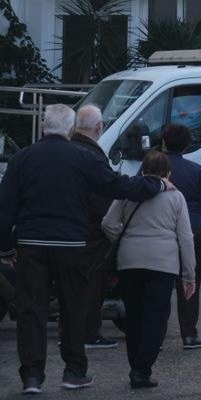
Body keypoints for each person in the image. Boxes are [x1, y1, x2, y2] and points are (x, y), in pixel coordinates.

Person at [0, 103, 166, 395]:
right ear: (71, 130)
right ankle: (74, 371)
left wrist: (6, 246)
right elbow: (116, 185)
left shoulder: (22, 159)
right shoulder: (82, 157)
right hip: (72, 245)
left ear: (43, 127)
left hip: (32, 244)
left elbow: (5, 208)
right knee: (74, 307)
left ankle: (32, 376)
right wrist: (155, 186)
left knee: (31, 310)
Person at [102, 150, 197, 388]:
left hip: (129, 260)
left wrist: (122, 240)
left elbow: (108, 223)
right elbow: (185, 238)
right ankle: (142, 369)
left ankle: (135, 363)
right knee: (156, 317)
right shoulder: (176, 198)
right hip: (163, 264)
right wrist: (189, 275)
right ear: (168, 173)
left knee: (134, 315)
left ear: (143, 170)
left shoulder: (128, 195)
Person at [161, 123, 201, 349]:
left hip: (162, 232)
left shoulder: (153, 166)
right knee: (190, 282)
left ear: (164, 141)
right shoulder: (194, 170)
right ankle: (189, 334)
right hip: (195, 231)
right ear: (186, 145)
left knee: (161, 286)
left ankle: (157, 334)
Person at [70, 105, 118, 350]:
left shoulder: (71, 148)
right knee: (92, 283)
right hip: (91, 231)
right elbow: (104, 196)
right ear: (99, 127)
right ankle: (88, 331)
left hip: (71, 227)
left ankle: (72, 330)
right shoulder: (93, 155)